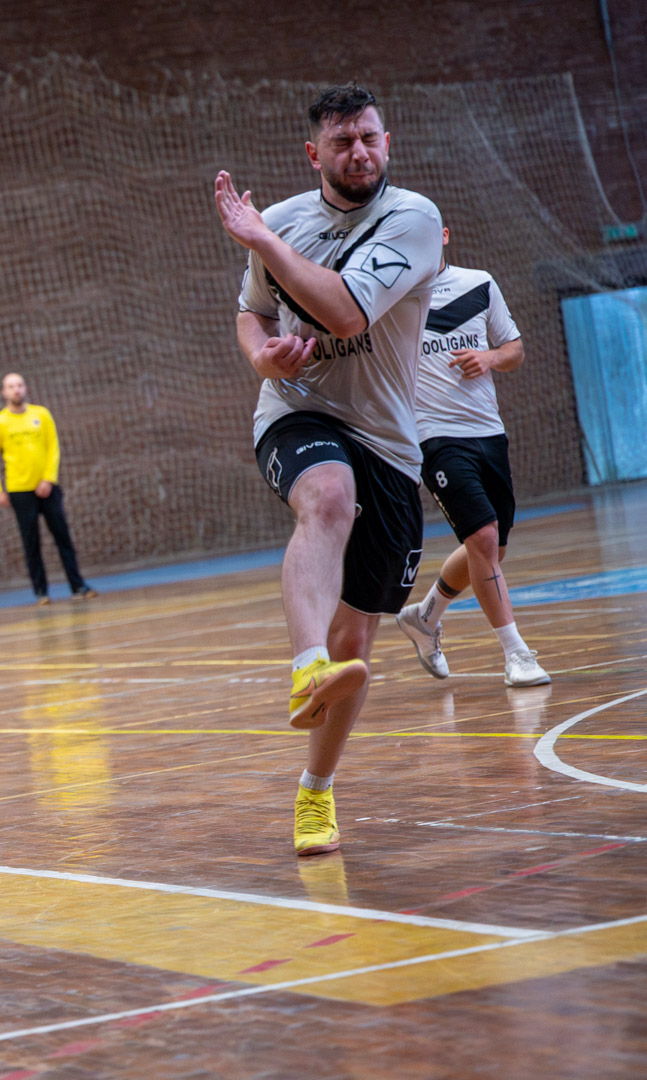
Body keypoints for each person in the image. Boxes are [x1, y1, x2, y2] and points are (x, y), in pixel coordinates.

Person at [214, 85, 443, 856]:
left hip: (388, 441)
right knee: (326, 498)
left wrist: (261, 241)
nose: (359, 153)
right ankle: (303, 667)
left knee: (357, 640)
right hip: (297, 410)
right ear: (313, 154)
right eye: (342, 142)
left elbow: (344, 312)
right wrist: (262, 356)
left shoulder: (411, 220)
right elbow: (253, 311)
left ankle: (314, 789)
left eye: (369, 138)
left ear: (387, 142)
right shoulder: (279, 221)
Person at [394, 227, 549, 687]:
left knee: (492, 549)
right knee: (482, 538)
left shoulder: (479, 283)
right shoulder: (392, 301)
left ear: (443, 235)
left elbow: (514, 350)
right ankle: (516, 654)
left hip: (488, 432)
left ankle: (424, 617)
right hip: (433, 437)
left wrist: (488, 358)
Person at [0, 373, 96, 605]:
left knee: (63, 536)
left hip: (47, 488)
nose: (16, 390)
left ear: (25, 388)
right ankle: (41, 592)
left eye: (19, 385)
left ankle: (78, 585)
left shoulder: (41, 415)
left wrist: (48, 479)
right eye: (11, 386)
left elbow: (53, 447)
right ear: (4, 392)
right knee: (31, 542)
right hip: (19, 491)